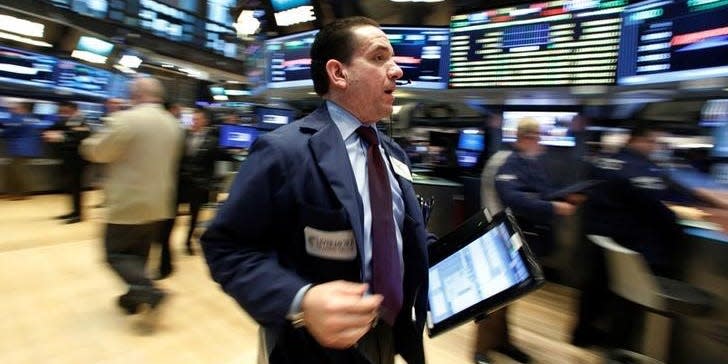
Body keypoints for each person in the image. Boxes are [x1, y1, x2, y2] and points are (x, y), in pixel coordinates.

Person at [201, 16, 431, 364]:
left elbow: (396, 233)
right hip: (312, 349)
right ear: (339, 73)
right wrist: (301, 300)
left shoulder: (394, 154)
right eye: (380, 57)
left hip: (389, 336)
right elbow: (225, 247)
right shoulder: (283, 151)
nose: (397, 70)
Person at [572, 122, 726, 348]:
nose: (656, 147)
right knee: (626, 299)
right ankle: (621, 346)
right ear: (638, 140)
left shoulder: (605, 160)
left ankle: (583, 336)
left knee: (595, 292)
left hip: (598, 239)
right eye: (654, 142)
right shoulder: (640, 168)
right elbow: (660, 208)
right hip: (630, 245)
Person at [80, 77, 182, 331]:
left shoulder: (126, 119)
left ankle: (150, 293)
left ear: (135, 94)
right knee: (138, 256)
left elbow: (96, 151)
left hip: (128, 202)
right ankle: (132, 301)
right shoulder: (173, 124)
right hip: (159, 203)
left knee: (115, 254)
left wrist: (97, 134)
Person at [156, 107, 217, 279]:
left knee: (194, 217)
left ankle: (188, 241)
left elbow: (212, 166)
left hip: (198, 187)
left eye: (197, 119)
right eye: (193, 119)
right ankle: (167, 249)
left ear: (205, 121)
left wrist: (209, 185)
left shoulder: (212, 142)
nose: (194, 122)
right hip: (179, 185)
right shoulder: (182, 137)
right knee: (170, 219)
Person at [43, 101, 90, 223]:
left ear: (73, 110)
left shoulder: (80, 119)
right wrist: (50, 133)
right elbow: (56, 128)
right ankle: (74, 212)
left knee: (76, 187)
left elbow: (79, 136)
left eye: (65, 111)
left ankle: (78, 214)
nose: (63, 114)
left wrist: (59, 136)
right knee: (72, 187)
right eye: (61, 112)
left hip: (77, 159)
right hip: (69, 159)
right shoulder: (69, 120)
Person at [1, 102, 43, 200]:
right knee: (12, 170)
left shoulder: (19, 118)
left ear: (23, 109)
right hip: (27, 149)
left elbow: (9, 131)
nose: (12, 110)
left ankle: (22, 194)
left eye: (15, 108)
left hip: (20, 149)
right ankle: (12, 192)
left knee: (19, 172)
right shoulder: (32, 118)